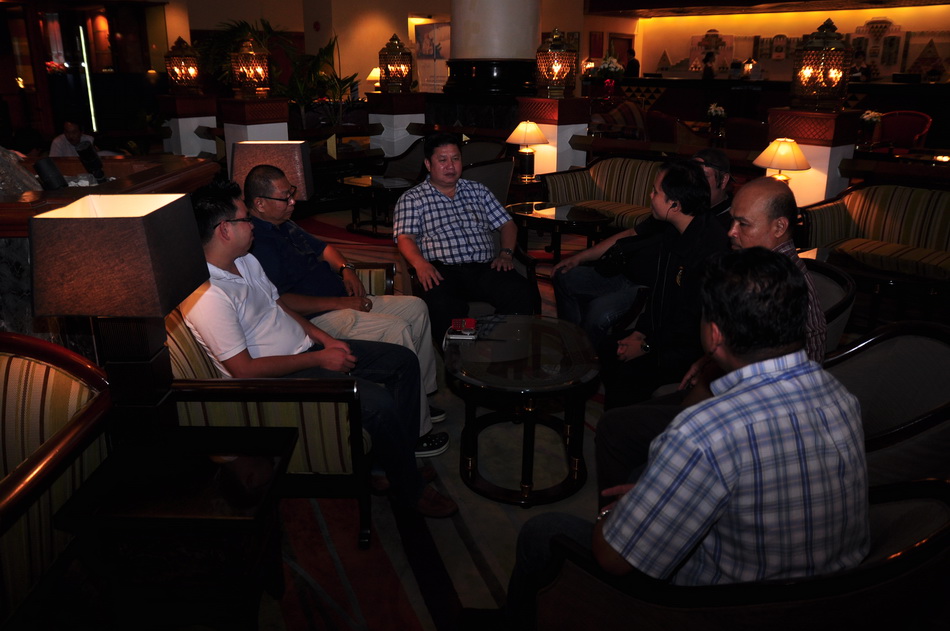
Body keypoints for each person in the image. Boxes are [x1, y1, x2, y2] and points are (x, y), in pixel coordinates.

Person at [502, 247, 869, 629]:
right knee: (644, 472)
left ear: (714, 334)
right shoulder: (841, 397)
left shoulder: (703, 432)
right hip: (825, 602)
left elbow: (613, 559)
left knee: (542, 533)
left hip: (714, 610)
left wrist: (615, 512)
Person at [178, 178, 458, 518]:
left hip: (307, 348)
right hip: (278, 379)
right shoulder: (208, 295)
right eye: (244, 218)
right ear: (224, 229)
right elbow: (244, 370)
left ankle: (391, 467)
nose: (251, 224)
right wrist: (320, 358)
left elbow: (280, 306)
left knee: (403, 361)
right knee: (378, 402)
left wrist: (325, 339)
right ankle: (408, 489)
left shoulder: (245, 261)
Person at [595, 176, 830, 495]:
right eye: (732, 220)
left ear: (779, 227)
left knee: (618, 426)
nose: (731, 232)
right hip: (728, 389)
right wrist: (708, 361)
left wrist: (700, 392)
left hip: (753, 418)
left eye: (743, 224)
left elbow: (790, 388)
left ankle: (626, 510)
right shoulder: (759, 269)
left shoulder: (782, 287)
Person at [242, 164, 448, 457]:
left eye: (292, 193)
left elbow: (324, 249)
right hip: (319, 318)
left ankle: (418, 398)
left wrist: (346, 269)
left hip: (340, 300)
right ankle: (413, 434)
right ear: (260, 203)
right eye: (284, 197)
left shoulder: (285, 224)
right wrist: (341, 303)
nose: (292, 201)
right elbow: (282, 301)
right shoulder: (257, 244)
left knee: (416, 306)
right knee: (396, 328)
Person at [552, 150, 731, 351]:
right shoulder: (672, 223)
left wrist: (645, 343)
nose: (650, 196)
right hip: (625, 272)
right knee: (565, 275)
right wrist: (580, 257)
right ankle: (572, 346)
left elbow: (687, 315)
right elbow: (632, 233)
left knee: (599, 318)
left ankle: (582, 355)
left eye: (701, 176)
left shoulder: (713, 236)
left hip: (645, 292)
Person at [393, 132, 537, 342]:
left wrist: (506, 254)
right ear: (428, 164)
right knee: (444, 305)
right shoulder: (412, 198)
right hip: (443, 271)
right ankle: (459, 355)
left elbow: (507, 224)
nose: (450, 166)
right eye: (442, 160)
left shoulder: (478, 190)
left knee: (521, 291)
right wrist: (420, 264)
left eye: (455, 159)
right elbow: (405, 238)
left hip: (484, 267)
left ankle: (496, 343)